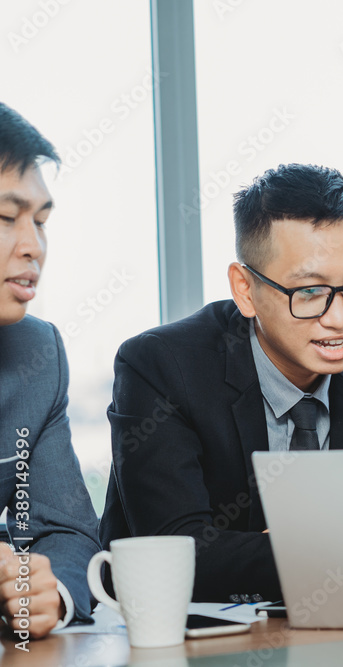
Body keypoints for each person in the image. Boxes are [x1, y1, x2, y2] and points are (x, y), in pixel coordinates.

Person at [99, 164, 343, 602]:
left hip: (340, 627)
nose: (341, 320)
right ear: (245, 289)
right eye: (309, 293)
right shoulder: (161, 366)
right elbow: (178, 554)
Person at [0, 102, 101, 638]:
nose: (32, 246)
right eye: (5, 218)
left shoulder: (39, 357)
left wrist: (50, 594)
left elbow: (66, 531)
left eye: (40, 222)